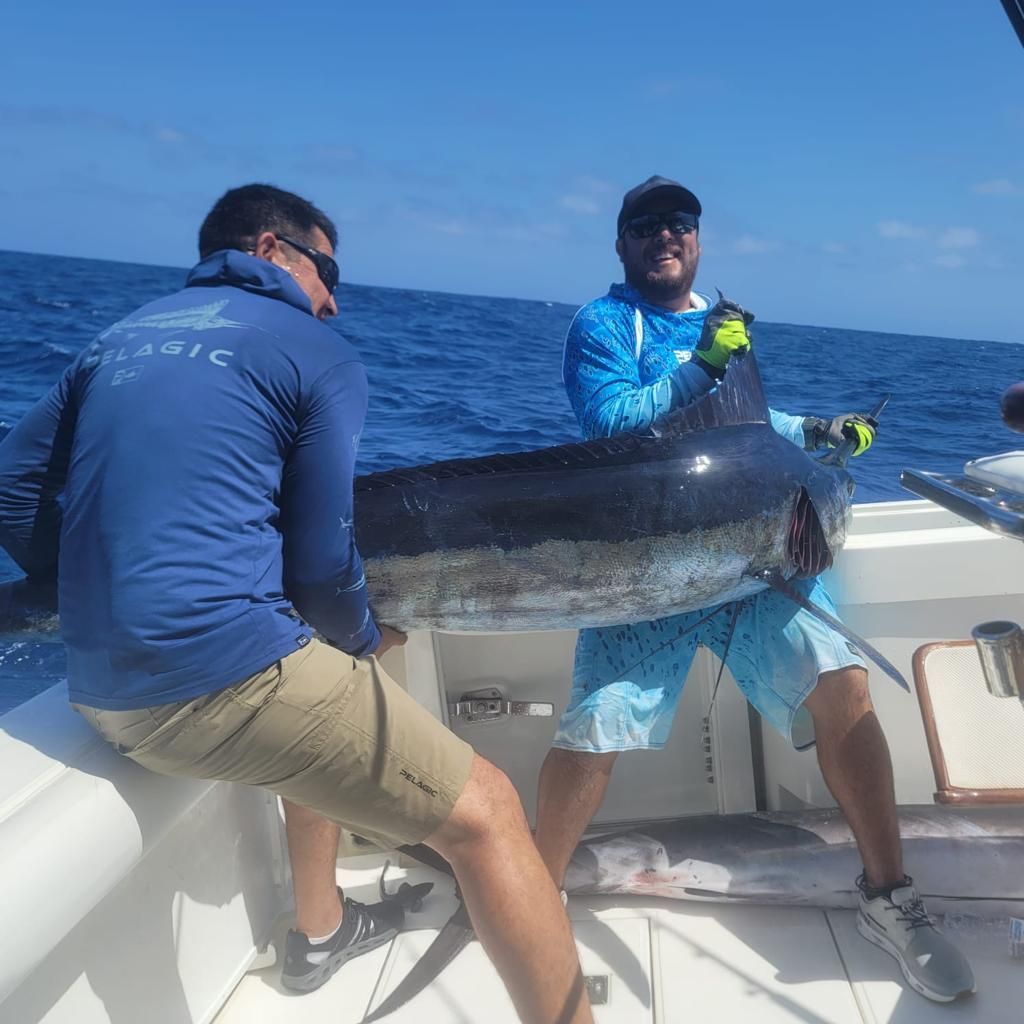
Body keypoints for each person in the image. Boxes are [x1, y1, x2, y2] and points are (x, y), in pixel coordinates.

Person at [0, 184, 592, 1024]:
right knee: (489, 813)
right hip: (213, 688)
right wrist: (364, 635)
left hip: (100, 691)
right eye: (328, 272)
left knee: (312, 674)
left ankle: (322, 929)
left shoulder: (117, 337)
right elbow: (320, 563)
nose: (334, 300)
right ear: (271, 249)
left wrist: (96, 592)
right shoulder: (317, 353)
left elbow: (12, 489)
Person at [534, 175, 975, 1003]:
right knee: (595, 729)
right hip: (649, 570)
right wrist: (703, 364)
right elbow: (610, 426)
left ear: (697, 239)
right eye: (646, 225)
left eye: (679, 222)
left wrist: (815, 429)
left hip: (748, 566)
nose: (665, 235)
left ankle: (889, 895)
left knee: (843, 687)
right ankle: (531, 893)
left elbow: (743, 423)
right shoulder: (604, 324)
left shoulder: (722, 325)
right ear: (622, 243)